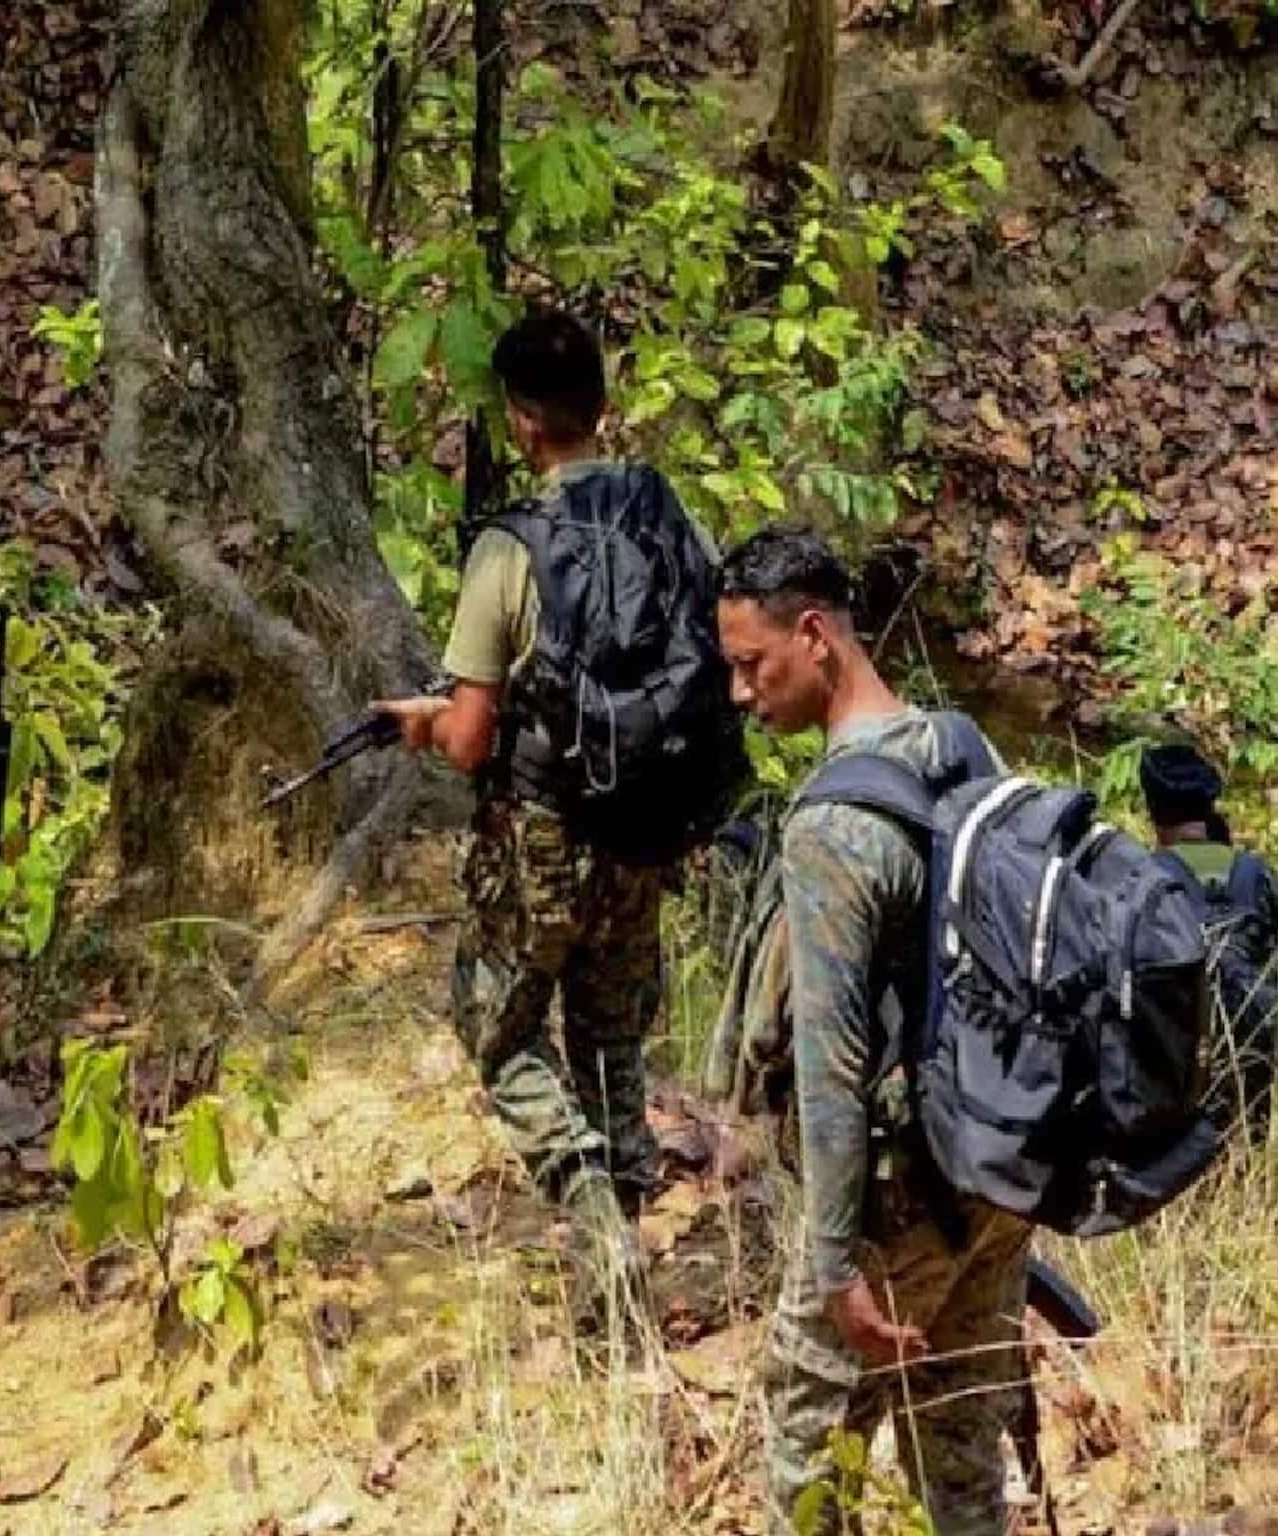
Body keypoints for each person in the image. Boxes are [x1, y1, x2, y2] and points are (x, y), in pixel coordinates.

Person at [378, 308, 741, 1340]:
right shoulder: (672, 515)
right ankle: (626, 1185)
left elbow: (466, 739)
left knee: (494, 1025)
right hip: (647, 823)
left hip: (540, 830)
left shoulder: (510, 548)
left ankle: (586, 1200)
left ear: (521, 421)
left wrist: (421, 719)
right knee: (610, 1017)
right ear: (602, 403)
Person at [716, 527, 1026, 1535]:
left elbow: (832, 1069)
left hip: (894, 1197)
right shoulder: (961, 745)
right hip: (990, 1173)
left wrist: (838, 1265)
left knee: (807, 1464)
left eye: (749, 663)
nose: (738, 691)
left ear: (814, 635)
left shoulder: (832, 831)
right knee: (960, 1455)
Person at [1141, 742, 1278, 1135]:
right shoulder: (1256, 873)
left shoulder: (1141, 880)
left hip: (1181, 1082)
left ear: (1153, 813)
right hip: (1262, 1069)